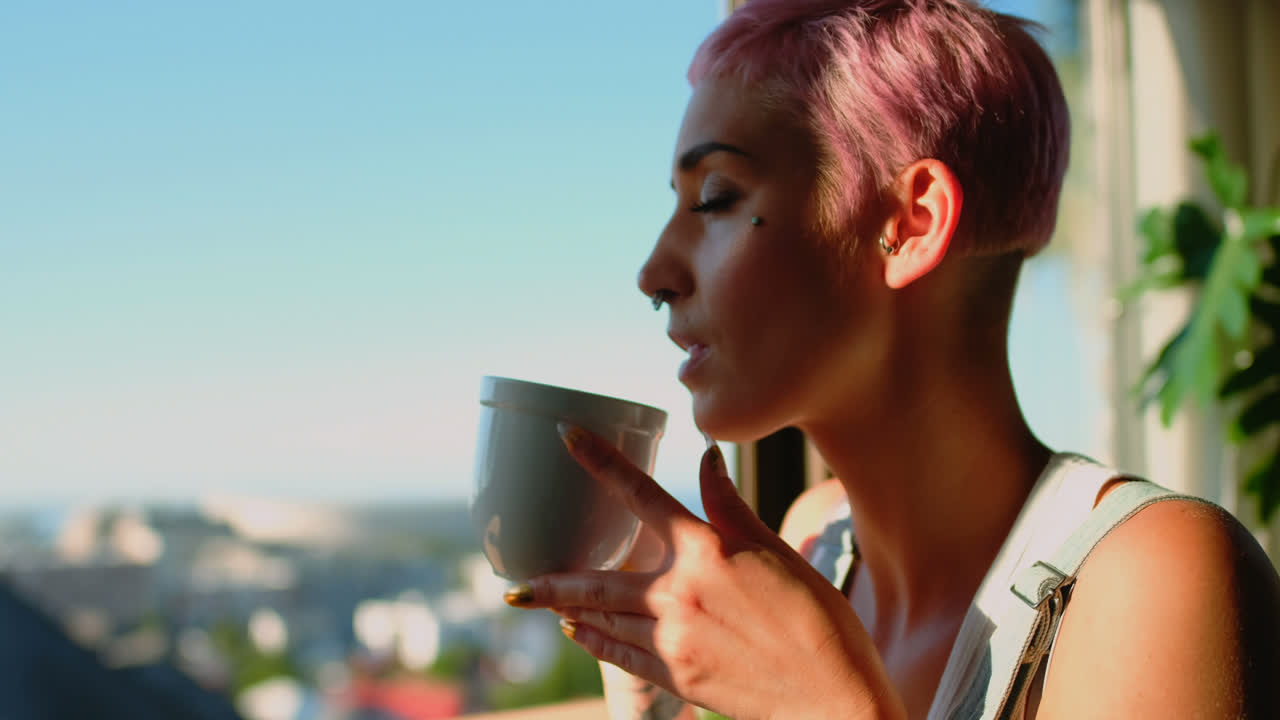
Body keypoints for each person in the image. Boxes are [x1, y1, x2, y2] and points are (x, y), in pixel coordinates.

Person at [501, 1, 1280, 718]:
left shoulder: (1157, 581)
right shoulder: (817, 542)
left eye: (715, 196)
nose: (653, 274)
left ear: (912, 223)